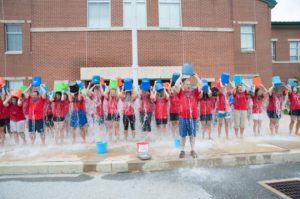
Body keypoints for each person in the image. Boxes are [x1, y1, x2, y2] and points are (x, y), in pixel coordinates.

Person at [174, 73, 201, 159]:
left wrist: (196, 76)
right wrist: (180, 77)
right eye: (187, 84)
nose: (188, 85)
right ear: (184, 85)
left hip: (193, 117)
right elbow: (175, 85)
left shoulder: (194, 93)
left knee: (192, 135)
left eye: (189, 84)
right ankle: (182, 150)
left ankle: (192, 150)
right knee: (182, 135)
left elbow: (201, 84)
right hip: (183, 117)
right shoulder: (181, 93)